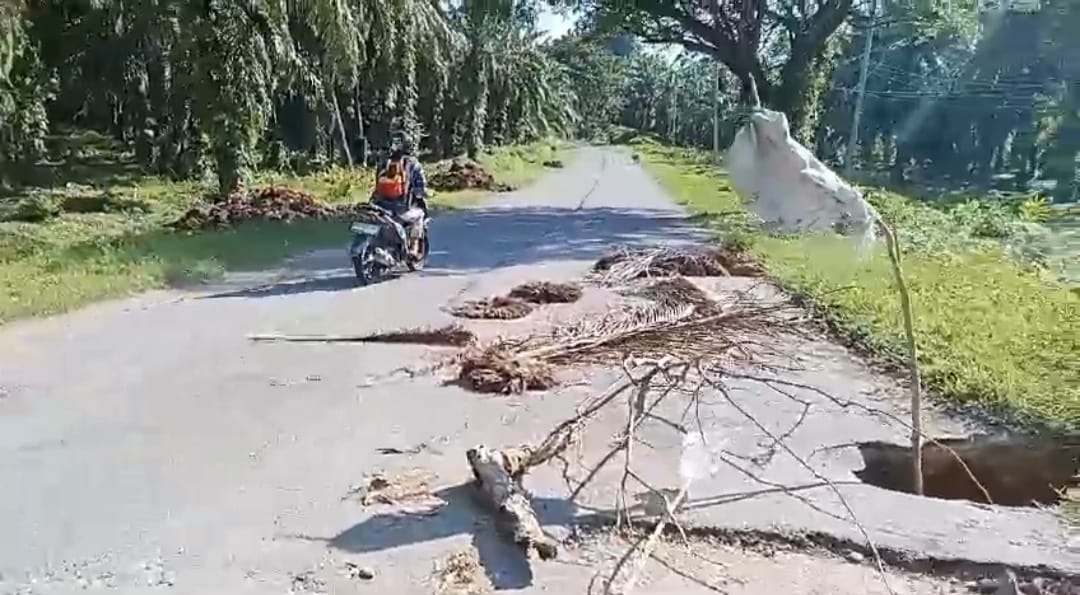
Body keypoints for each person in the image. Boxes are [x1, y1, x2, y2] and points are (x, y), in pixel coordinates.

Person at [370, 130, 428, 257]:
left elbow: (377, 185)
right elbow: (420, 186)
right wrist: (422, 194)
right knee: (419, 215)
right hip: (400, 209)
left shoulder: (383, 163)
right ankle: (413, 248)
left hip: (379, 206)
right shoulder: (412, 164)